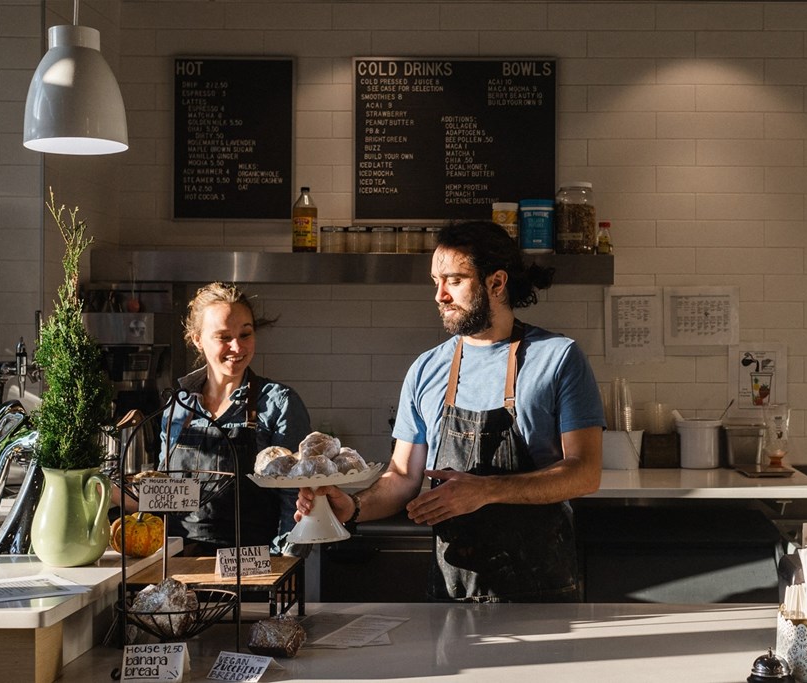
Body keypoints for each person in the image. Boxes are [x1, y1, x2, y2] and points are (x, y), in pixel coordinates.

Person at [297, 221, 605, 601]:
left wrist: (486, 491)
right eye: (435, 281)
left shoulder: (557, 358)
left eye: (454, 280)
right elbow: (403, 476)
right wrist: (353, 507)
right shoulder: (427, 369)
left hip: (540, 589)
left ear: (496, 283)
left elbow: (585, 473)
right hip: (452, 592)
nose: (440, 295)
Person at [161, 282, 311, 556]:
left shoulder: (278, 403)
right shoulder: (178, 405)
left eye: (245, 334)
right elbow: (165, 493)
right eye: (223, 336)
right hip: (180, 565)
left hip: (252, 566)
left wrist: (284, 564)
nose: (237, 346)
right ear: (197, 339)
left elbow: (296, 500)